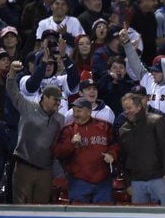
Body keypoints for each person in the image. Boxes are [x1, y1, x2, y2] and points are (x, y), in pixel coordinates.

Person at [6, 60, 64, 204]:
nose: (58, 103)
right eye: (55, 99)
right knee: (21, 205)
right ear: (44, 97)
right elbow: (12, 91)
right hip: (24, 165)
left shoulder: (60, 118)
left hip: (46, 169)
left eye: (59, 100)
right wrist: (12, 72)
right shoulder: (28, 107)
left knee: (42, 207)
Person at [52, 98, 118, 204]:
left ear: (89, 111)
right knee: (79, 216)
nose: (76, 114)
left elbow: (115, 144)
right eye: (74, 111)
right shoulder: (67, 130)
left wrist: (112, 154)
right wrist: (71, 143)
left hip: (103, 182)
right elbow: (57, 152)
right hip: (78, 181)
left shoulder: (105, 127)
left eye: (79, 111)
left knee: (103, 215)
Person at [118, 93, 165, 205]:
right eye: (124, 108)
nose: (126, 111)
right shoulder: (123, 130)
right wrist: (128, 183)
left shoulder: (157, 121)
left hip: (160, 179)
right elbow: (123, 159)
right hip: (136, 182)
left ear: (139, 107)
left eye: (129, 108)